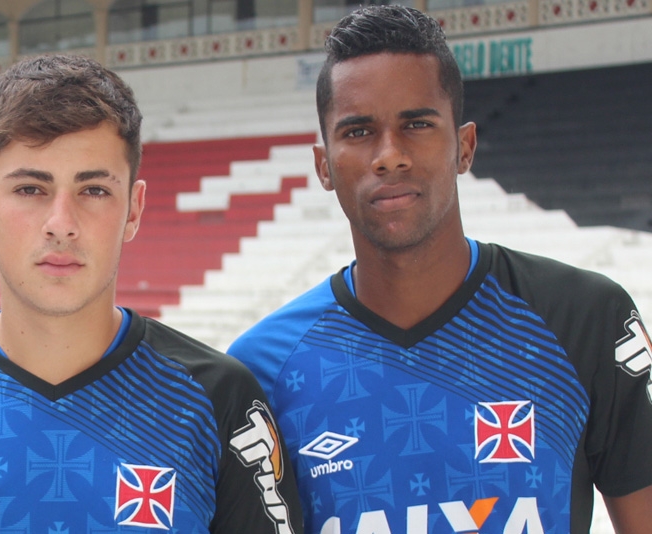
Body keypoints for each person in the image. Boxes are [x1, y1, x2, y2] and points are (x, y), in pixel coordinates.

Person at [228, 5, 652, 534]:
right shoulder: (259, 372)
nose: (389, 156)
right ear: (324, 166)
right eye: (358, 131)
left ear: (465, 147)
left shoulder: (582, 320)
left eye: (417, 124)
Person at [0, 54, 303, 534]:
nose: (61, 224)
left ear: (133, 209)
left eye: (93, 190)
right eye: (30, 189)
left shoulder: (218, 400)